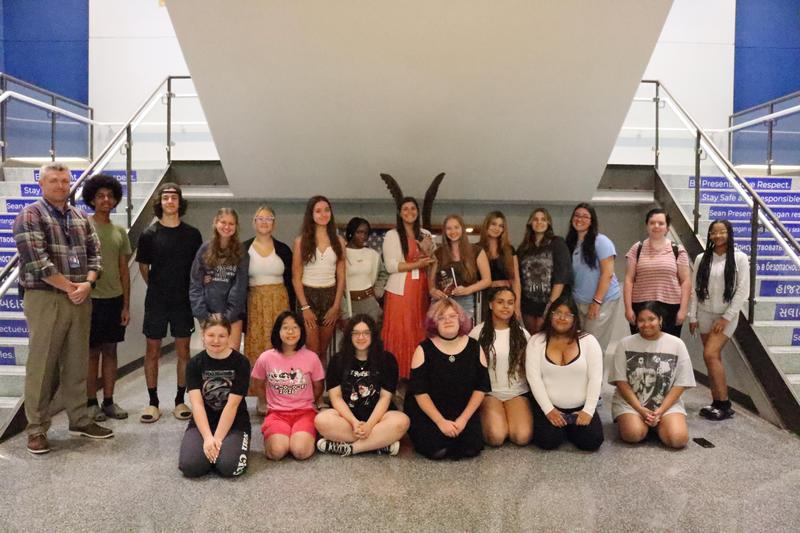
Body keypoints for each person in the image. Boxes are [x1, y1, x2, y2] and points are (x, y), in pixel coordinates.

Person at [13, 162, 113, 454]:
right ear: (42, 184)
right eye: (54, 181)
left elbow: (96, 256)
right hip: (46, 297)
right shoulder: (29, 215)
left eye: (65, 181)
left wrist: (88, 284)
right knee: (42, 366)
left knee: (77, 362)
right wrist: (72, 287)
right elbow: (36, 262)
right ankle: (36, 429)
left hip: (80, 297)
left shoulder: (80, 217)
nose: (60, 185)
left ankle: (79, 418)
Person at [136, 183, 203, 424]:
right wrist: (157, 286)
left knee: (183, 351)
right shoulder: (148, 235)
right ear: (160, 202)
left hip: (182, 301)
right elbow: (144, 267)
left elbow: (198, 268)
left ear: (179, 202)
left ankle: (179, 400)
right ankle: (153, 402)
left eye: (174, 197)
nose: (170, 201)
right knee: (152, 350)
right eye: (166, 198)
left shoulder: (193, 234)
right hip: (156, 300)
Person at [405, 299, 491, 459]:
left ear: (461, 319)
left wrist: (463, 419)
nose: (448, 320)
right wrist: (440, 422)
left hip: (463, 411)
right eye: (441, 317)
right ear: (433, 323)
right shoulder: (423, 349)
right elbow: (419, 392)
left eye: (452, 316)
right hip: (430, 413)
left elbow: (481, 387)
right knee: (437, 450)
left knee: (470, 450)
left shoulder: (474, 347)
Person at [315, 314, 410, 456]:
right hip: (347, 420)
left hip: (379, 419)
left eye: (366, 333)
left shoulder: (387, 360)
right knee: (321, 420)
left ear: (373, 336)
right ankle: (379, 444)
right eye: (356, 333)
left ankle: (352, 448)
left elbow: (385, 398)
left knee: (402, 421)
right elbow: (336, 398)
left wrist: (370, 425)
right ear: (349, 336)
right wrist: (354, 423)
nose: (361, 337)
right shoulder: (338, 360)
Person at [610, 302, 695, 449]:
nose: (646, 324)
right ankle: (642, 423)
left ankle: (657, 423)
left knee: (678, 440)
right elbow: (621, 382)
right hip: (632, 404)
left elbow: (681, 383)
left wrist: (660, 411)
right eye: (641, 320)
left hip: (665, 405)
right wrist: (641, 410)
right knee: (633, 434)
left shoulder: (676, 344)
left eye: (651, 319)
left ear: (660, 320)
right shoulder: (625, 344)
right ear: (636, 322)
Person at [81, 173, 131, 421]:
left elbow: (124, 270)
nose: (105, 200)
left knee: (111, 351)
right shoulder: (83, 226)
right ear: (91, 199)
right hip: (90, 299)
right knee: (92, 353)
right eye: (100, 196)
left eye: (110, 196)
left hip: (114, 299)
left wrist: (125, 305)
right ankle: (91, 403)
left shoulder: (120, 231)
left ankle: (109, 401)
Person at [525, 295, 604, 451]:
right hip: (549, 407)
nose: (562, 318)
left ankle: (569, 428)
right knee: (547, 442)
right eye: (558, 313)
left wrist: (587, 411)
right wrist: (549, 411)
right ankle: (563, 429)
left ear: (575, 319)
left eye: (568, 314)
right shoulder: (536, 341)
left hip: (580, 408)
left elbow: (596, 378)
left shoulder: (589, 341)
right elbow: (534, 379)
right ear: (550, 315)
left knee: (592, 442)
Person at [688, 220, 749, 420]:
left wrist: (726, 317)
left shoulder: (739, 258)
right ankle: (716, 401)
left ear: (729, 234)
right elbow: (695, 289)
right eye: (714, 232)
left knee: (710, 354)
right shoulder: (701, 258)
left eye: (722, 232)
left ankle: (724, 403)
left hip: (726, 316)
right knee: (713, 358)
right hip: (705, 313)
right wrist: (693, 316)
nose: (718, 236)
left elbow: (742, 291)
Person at [178, 317, 251, 478]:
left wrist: (216, 439)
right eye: (211, 335)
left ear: (229, 336)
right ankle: (208, 454)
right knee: (191, 467)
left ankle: (220, 453)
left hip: (235, 423)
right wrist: (207, 438)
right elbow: (197, 405)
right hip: (203, 422)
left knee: (229, 467)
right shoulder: (194, 364)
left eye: (222, 336)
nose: (216, 340)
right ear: (203, 335)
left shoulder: (241, 363)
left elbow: (232, 406)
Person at [251, 311, 325, 460]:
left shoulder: (312, 357)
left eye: (295, 327)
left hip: (305, 412)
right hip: (277, 413)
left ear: (301, 331)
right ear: (278, 331)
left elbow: (318, 387)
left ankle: (304, 435)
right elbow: (257, 384)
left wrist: (310, 402)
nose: (290, 332)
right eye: (285, 327)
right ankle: (280, 435)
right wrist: (265, 403)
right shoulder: (266, 357)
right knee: (277, 452)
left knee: (300, 452)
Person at [243, 205, 294, 414]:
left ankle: (282, 395)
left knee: (282, 348)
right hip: (255, 303)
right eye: (260, 218)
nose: (264, 222)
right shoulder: (244, 248)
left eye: (269, 218)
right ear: (254, 222)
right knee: (258, 349)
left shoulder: (283, 249)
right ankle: (262, 398)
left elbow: (292, 279)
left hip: (279, 302)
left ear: (274, 223)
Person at [469, 288, 532, 446]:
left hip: (516, 392)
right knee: (496, 438)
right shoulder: (478, 333)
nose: (506, 307)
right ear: (490, 304)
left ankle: (510, 417)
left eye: (510, 303)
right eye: (500, 302)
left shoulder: (523, 334)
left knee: (522, 437)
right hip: (490, 393)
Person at [381, 197, 435, 379]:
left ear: (418, 212)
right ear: (399, 213)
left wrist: (427, 252)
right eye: (405, 209)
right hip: (400, 291)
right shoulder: (392, 235)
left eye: (413, 208)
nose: (409, 212)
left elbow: (432, 261)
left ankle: (418, 373)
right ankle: (397, 375)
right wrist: (417, 264)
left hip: (421, 287)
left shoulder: (425, 233)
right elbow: (391, 266)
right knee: (401, 330)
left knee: (419, 328)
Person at [292, 196, 346, 367]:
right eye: (318, 211)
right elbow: (296, 278)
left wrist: (336, 306)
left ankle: (318, 393)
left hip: (330, 297)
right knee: (312, 352)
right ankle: (308, 393)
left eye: (326, 210)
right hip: (308, 296)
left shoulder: (339, 242)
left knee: (323, 351)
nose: (323, 214)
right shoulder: (301, 241)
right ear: (311, 214)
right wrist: (305, 307)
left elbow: (341, 276)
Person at [624, 208, 691, 337]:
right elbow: (629, 280)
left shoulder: (677, 250)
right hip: (641, 306)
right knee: (641, 345)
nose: (656, 226)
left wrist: (683, 310)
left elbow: (685, 282)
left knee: (668, 349)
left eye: (661, 223)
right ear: (647, 226)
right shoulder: (636, 248)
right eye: (652, 223)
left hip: (671, 307)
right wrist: (628, 308)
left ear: (667, 228)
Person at [566, 203, 622, 353]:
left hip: (602, 301)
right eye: (577, 215)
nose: (580, 219)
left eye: (585, 216)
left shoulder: (601, 241)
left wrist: (596, 302)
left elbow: (607, 273)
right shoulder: (570, 243)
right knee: (580, 344)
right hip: (579, 302)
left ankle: (596, 377)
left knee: (594, 345)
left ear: (592, 221)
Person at [190, 207, 248, 350]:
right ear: (216, 223)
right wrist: (204, 315)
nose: (227, 227)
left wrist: (226, 317)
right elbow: (195, 284)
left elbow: (239, 287)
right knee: (212, 357)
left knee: (230, 356)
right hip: (208, 315)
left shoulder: (241, 252)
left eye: (231, 223)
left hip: (233, 316)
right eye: (223, 222)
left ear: (236, 226)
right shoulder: (204, 249)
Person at [516, 208, 571, 334]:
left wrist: (550, 307)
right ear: (530, 223)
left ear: (549, 223)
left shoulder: (557, 243)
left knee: (547, 337)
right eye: (535, 219)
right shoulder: (523, 248)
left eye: (543, 219)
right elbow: (518, 277)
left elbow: (561, 277)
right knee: (532, 338)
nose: (539, 222)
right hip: (528, 304)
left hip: (550, 301)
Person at [429, 214, 491, 322]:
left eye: (456, 227)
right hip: (442, 302)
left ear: (462, 228)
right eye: (449, 228)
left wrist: (467, 290)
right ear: (444, 231)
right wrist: (433, 290)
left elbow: (487, 280)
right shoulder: (438, 253)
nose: (453, 231)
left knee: (464, 334)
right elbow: (431, 280)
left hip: (465, 301)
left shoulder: (476, 251)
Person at [477, 211, 521, 320]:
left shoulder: (509, 250)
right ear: (486, 225)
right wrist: (491, 283)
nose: (497, 228)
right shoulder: (476, 249)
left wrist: (517, 305)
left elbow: (515, 280)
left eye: (501, 226)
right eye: (493, 224)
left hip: (506, 297)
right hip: (484, 297)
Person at [343, 217, 383, 325]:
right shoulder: (342, 253)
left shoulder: (372, 254)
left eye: (366, 233)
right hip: (349, 303)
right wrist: (343, 311)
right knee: (351, 338)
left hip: (369, 302)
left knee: (371, 337)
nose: (363, 236)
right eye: (359, 232)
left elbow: (383, 274)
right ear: (351, 233)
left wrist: (378, 291)